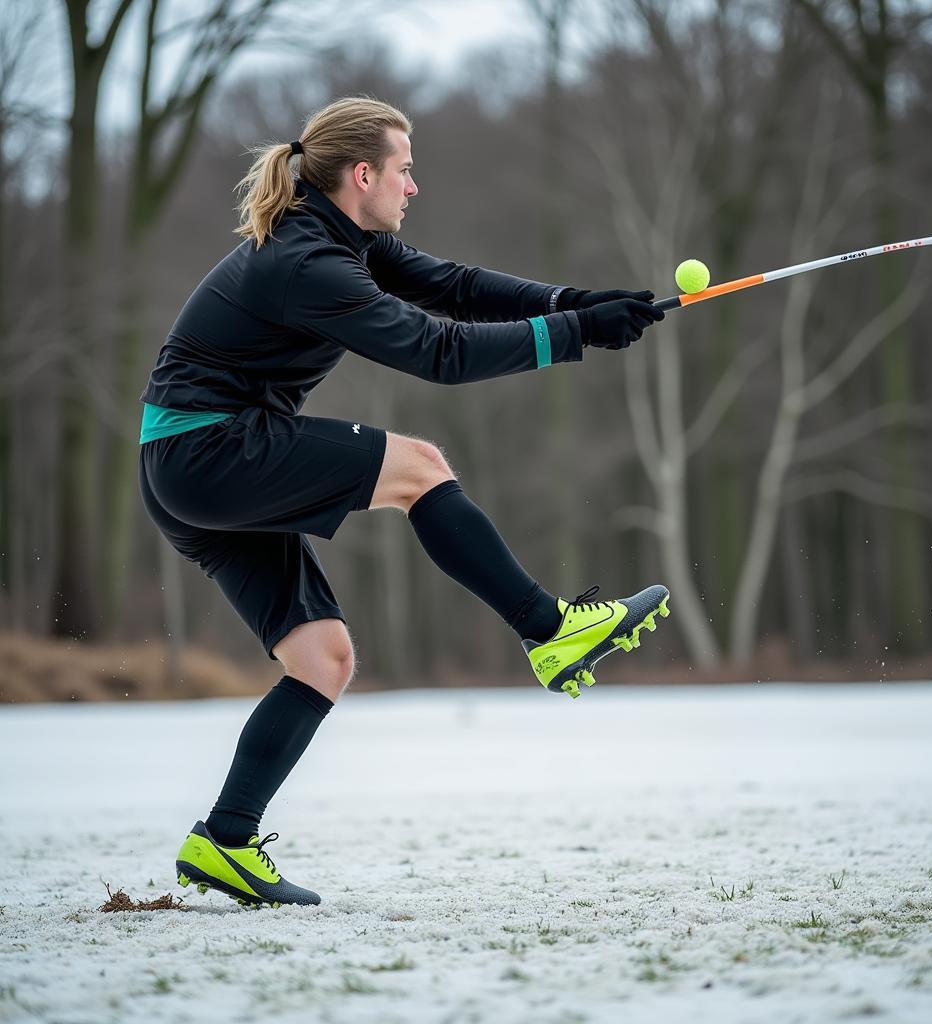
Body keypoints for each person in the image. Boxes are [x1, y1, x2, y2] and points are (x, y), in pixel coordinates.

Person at [138, 97, 670, 908]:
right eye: (404, 170)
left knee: (324, 660)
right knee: (418, 465)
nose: (413, 187)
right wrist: (574, 335)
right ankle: (550, 630)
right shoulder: (307, 262)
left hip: (190, 463)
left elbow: (454, 288)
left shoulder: (347, 241)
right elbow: (439, 352)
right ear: (363, 175)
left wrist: (576, 302)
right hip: (208, 452)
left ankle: (225, 840)